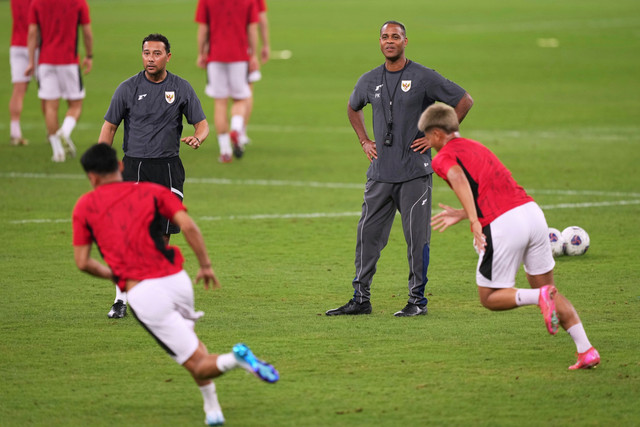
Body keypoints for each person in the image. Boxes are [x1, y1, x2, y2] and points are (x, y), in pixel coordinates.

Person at [72, 143, 279, 425]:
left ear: (92, 177)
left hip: (145, 293)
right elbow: (190, 226)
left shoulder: (84, 206)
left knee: (197, 362)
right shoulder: (153, 191)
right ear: (120, 167)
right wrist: (205, 265)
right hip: (177, 280)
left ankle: (239, 360)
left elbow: (83, 262)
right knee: (193, 347)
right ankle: (212, 408)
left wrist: (116, 275)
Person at [417, 103, 600, 370]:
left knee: (490, 296)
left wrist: (473, 219)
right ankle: (586, 350)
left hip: (503, 224)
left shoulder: (442, 157)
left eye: (426, 136)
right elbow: (489, 184)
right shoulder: (477, 146)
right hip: (531, 213)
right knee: (548, 288)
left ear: (435, 133)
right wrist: (465, 211)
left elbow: (458, 178)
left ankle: (539, 299)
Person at [326, 21, 474, 317]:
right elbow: (353, 107)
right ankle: (360, 298)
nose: (389, 41)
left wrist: (438, 137)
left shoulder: (423, 77)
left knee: (416, 239)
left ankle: (417, 301)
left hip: (414, 175)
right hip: (380, 175)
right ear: (379, 42)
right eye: (385, 37)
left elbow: (463, 100)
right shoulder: (369, 80)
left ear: (406, 41)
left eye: (395, 37)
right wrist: (364, 140)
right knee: (367, 236)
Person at [98, 33, 209, 319]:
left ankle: (155, 292)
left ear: (168, 57)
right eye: (146, 53)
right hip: (134, 168)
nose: (150, 58)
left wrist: (198, 137)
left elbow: (202, 124)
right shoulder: (127, 88)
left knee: (162, 235)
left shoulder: (181, 88)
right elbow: (109, 127)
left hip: (169, 170)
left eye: (156, 53)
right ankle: (120, 298)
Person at [25, 0, 93, 162]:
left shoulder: (36, 3)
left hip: (45, 61)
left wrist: (30, 62)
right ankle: (65, 131)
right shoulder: (78, 2)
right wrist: (89, 56)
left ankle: (58, 152)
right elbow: (87, 32)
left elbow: (32, 33)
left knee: (50, 106)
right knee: (76, 105)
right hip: (69, 61)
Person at [195, 0, 259, 163]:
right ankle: (237, 129)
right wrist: (253, 55)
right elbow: (252, 29)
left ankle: (225, 151)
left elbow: (203, 28)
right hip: (239, 56)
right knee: (240, 99)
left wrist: (201, 52)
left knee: (220, 103)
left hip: (216, 56)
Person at [239, 0, 271, 146]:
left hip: (218, 53)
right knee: (246, 93)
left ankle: (224, 143)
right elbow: (261, 19)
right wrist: (265, 45)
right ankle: (240, 131)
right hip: (245, 50)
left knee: (221, 101)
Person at [9, 0, 36, 146]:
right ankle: (51, 132)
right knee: (46, 92)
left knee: (18, 90)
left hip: (17, 45)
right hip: (36, 45)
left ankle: (15, 132)